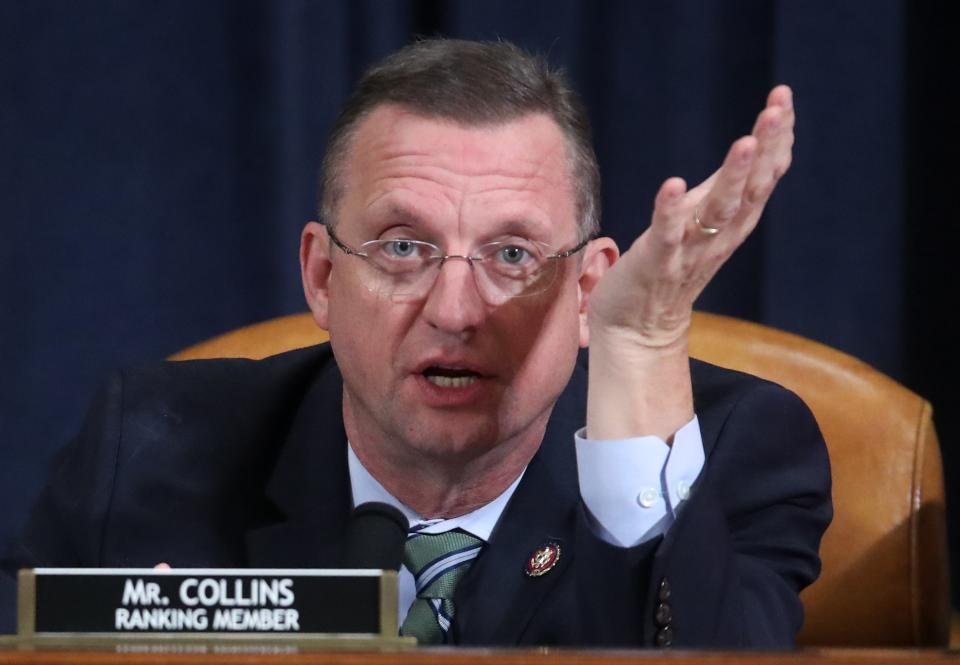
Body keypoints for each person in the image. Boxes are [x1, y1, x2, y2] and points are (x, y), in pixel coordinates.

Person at [0, 39, 830, 647]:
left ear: (587, 289)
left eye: (513, 255)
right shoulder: (148, 452)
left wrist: (640, 347)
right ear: (322, 276)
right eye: (404, 247)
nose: (456, 308)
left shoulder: (735, 450)